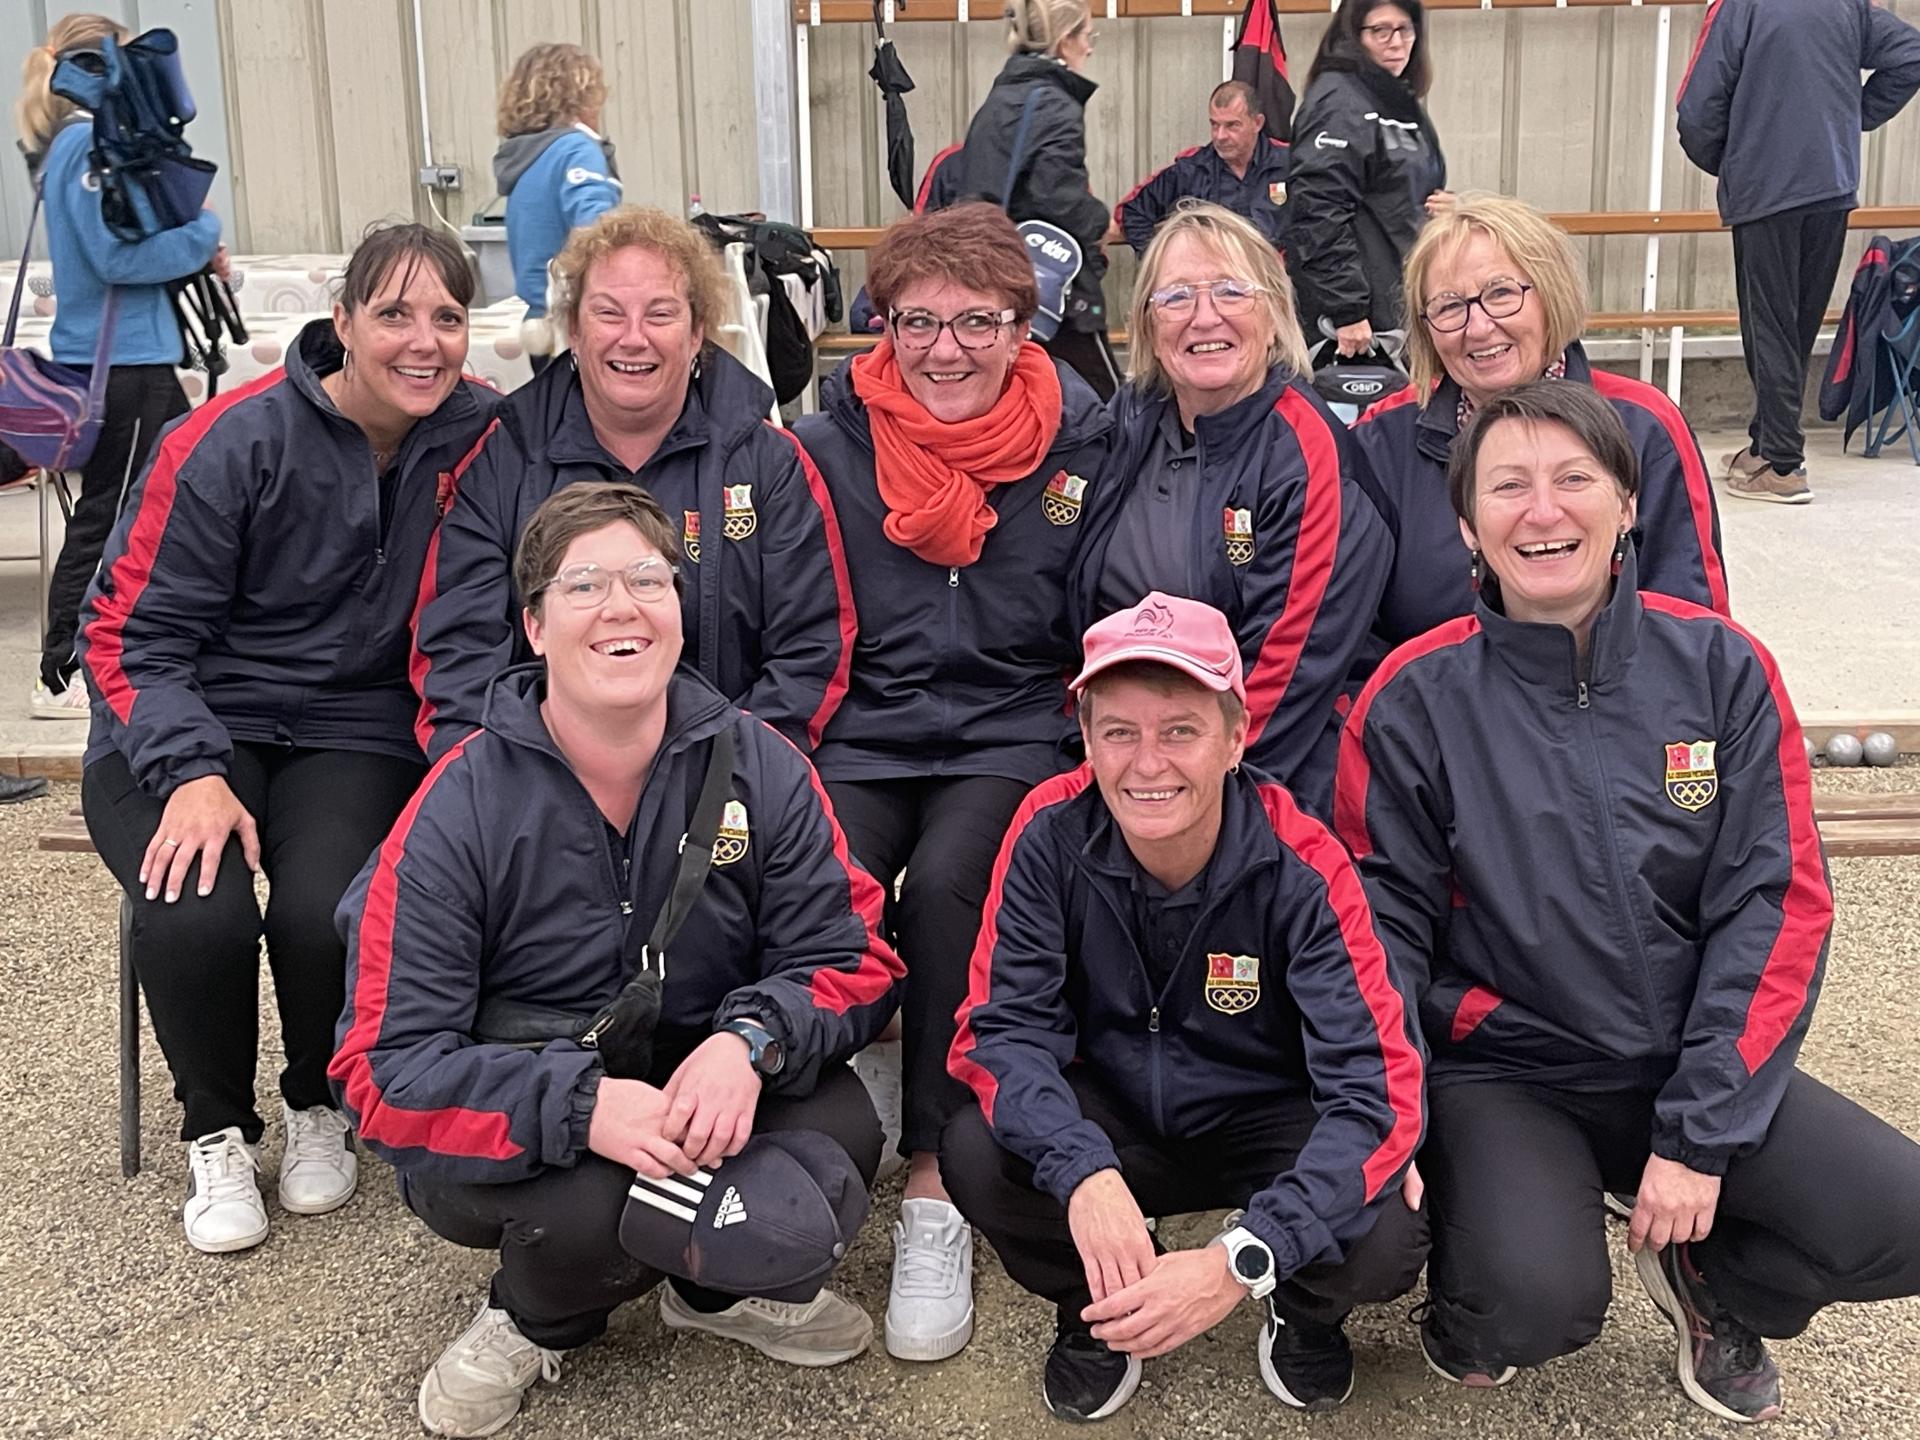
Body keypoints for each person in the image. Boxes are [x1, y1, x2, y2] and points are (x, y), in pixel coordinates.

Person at [1334, 381, 1920, 1424]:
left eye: (1574, 480)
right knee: (1534, 1303)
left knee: (1903, 1220)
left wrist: (1699, 1136)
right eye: (1508, 487)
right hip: (1516, 1068)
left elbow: (1775, 903)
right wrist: (1391, 1124)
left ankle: (1711, 1279)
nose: (1543, 511)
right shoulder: (1414, 698)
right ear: (1469, 525)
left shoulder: (1721, 668)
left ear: (1628, 504)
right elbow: (1382, 939)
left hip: (1686, 1051)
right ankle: (1479, 1299)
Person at [331, 483, 903, 1440]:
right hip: (536, 1102)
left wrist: (748, 1042)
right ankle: (536, 1314)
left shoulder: (760, 765)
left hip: (699, 1075)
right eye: (584, 584)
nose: (622, 606)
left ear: (681, 608)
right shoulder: (458, 804)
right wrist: (585, 1107)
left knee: (836, 1145)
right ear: (534, 624)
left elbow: (851, 956)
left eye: (648, 578)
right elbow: (382, 1073)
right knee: (590, 1217)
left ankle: (707, 1294)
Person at [73, 224, 497, 1254]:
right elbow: (131, 631)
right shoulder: (229, 440)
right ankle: (215, 1130)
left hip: (356, 723)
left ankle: (319, 1100)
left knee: (329, 910)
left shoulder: (484, 434)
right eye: (393, 314)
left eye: (446, 316)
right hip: (185, 713)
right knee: (197, 909)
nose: (423, 342)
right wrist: (189, 774)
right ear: (341, 321)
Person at [943, 592, 1426, 1422]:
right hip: (1118, 1114)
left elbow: (1376, 1094)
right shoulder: (1047, 832)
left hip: (1262, 1119)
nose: (1148, 764)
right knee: (978, 1152)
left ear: (1236, 738)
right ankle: (1102, 1305)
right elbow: (1001, 1033)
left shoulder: (1303, 865)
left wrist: (1245, 1255)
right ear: (1087, 739)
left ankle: (1297, 1304)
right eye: (1119, 732)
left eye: (1180, 730)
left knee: (1388, 1232)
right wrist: (1083, 1171)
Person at [791, 202, 1112, 1364]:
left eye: (979, 320)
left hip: (1008, 728)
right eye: (917, 320)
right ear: (881, 326)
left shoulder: (1085, 442)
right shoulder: (825, 448)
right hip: (865, 728)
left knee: (948, 893)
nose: (945, 349)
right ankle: (798, 1141)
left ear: (1027, 326)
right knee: (818, 886)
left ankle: (932, 1177)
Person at [413, 204, 855, 762]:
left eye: (661, 314)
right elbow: (457, 651)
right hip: (538, 780)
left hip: (723, 780)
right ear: (574, 329)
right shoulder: (504, 460)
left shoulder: (768, 464)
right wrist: (505, 783)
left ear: (697, 333)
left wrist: (733, 774)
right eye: (609, 313)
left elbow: (811, 651)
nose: (634, 338)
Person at [1073, 203, 1390, 819]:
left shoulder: (1307, 454)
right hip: (1120, 752)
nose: (1204, 316)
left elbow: (1291, 669)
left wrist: (1180, 795)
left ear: (1272, 313)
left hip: (1257, 770)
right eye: (1176, 298)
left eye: (1230, 291)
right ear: (1147, 324)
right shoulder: (1125, 425)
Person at [1351, 193, 1728, 653]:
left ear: (1551, 294)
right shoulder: (1381, 442)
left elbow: (1696, 630)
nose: (1479, 327)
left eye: (1501, 294)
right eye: (1450, 307)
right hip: (1428, 717)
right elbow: (1350, 639)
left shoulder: (1643, 425)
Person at [16, 13, 227, 720]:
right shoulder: (83, 147)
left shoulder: (77, 144)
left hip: (133, 361)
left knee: (150, 507)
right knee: (111, 515)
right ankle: (62, 671)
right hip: (125, 366)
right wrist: (201, 235)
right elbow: (115, 259)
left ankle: (109, 651)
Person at [1678, 0, 1920, 504]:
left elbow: (1697, 108)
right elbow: (1912, 53)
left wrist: (1734, 160)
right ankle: (1766, 446)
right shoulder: (1845, 4)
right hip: (1831, 183)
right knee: (1797, 322)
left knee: (1768, 323)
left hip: (1766, 190)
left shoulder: (1741, 6)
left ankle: (1784, 465)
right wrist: (1852, 117)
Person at [957, 0, 1120, 400]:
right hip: (1047, 280)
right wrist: (1102, 223)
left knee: (1018, 394)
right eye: (1087, 37)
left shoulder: (1001, 97)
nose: (1090, 48)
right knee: (1106, 398)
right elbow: (1057, 195)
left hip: (992, 271)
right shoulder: (1052, 103)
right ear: (1066, 42)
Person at [1286, 0, 1448, 356]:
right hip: (1360, 321)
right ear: (1353, 36)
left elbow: (1395, 192)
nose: (1396, 42)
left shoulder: (1396, 100)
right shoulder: (1340, 101)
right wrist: (1347, 311)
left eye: (1404, 29)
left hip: (1401, 298)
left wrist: (1445, 209)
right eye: (1380, 30)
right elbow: (1318, 208)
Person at [493, 42, 622, 373]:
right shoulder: (577, 151)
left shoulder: (527, 158)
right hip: (571, 329)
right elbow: (597, 230)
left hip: (536, 324)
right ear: (581, 94)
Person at [1115, 81, 1290, 256]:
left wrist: (1292, 265)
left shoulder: (1290, 164)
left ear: (1257, 123)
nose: (1220, 136)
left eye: (1232, 125)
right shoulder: (1190, 170)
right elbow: (1132, 212)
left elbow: (1314, 222)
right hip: (1212, 279)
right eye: (1214, 125)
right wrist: (1164, 259)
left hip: (1272, 279)